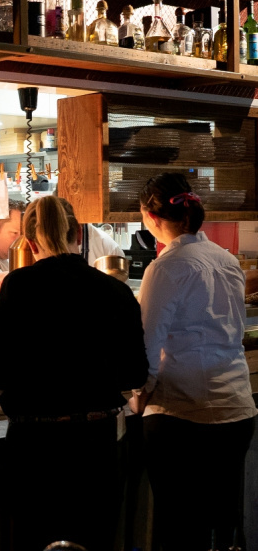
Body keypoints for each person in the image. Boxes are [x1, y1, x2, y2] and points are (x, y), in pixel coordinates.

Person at [0, 195, 148, 551]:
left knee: (36, 540)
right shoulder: (116, 290)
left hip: (37, 448)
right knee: (93, 542)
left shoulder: (19, 285)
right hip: (97, 446)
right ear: (78, 235)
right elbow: (135, 374)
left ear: (31, 243)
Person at [130, 173, 256, 551]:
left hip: (183, 416)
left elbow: (147, 344)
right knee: (221, 523)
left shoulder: (166, 267)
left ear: (151, 218)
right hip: (236, 411)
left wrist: (139, 396)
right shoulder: (226, 258)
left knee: (180, 529)